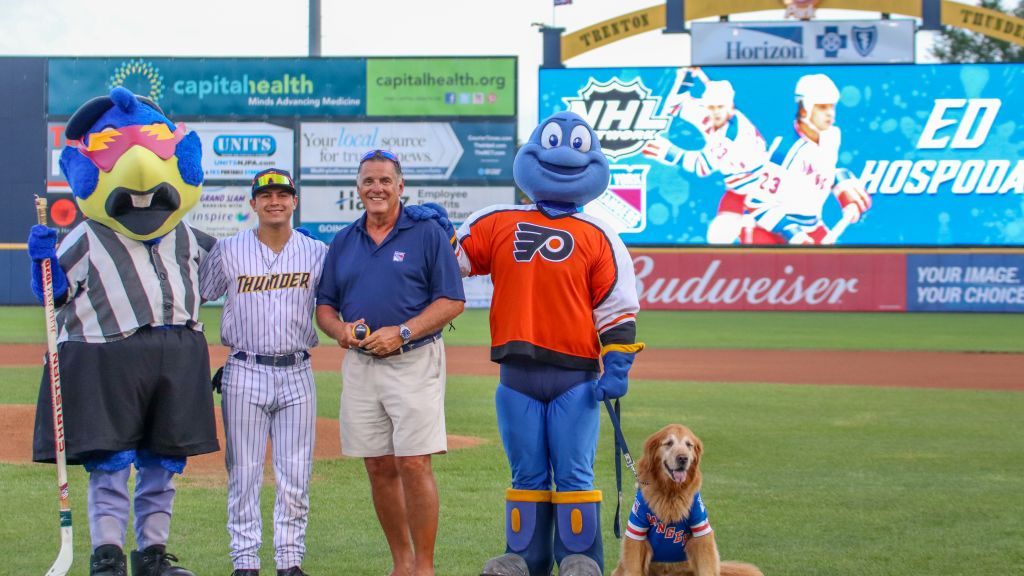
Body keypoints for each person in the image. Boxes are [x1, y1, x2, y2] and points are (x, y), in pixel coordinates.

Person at [415, 112, 643, 576]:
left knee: (575, 474)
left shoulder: (601, 234)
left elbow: (617, 307)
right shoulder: (497, 220)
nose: (561, 157)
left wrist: (616, 365)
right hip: (515, 376)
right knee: (527, 475)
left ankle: (580, 558)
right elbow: (452, 262)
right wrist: (434, 234)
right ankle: (524, 557)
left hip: (576, 378)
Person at [28, 87, 215, 576]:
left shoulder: (189, 236)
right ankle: (107, 555)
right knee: (110, 463)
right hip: (105, 356)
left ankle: (152, 554)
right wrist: (41, 262)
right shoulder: (88, 236)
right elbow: (54, 293)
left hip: (177, 355)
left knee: (162, 462)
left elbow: (250, 264)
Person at [314, 150, 465, 576]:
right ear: (357, 189)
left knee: (414, 462)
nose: (376, 188)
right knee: (378, 464)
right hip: (361, 365)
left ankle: (424, 566)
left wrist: (402, 331)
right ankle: (400, 563)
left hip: (413, 359)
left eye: (384, 180)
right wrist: (339, 330)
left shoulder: (426, 233)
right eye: (368, 181)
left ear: (401, 187)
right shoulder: (344, 240)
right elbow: (325, 306)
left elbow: (452, 300)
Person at [199, 168, 326, 576]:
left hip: (297, 371)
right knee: (244, 472)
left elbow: (334, 302)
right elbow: (199, 291)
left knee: (295, 473)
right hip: (244, 369)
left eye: (282, 194)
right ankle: (245, 562)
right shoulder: (229, 250)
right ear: (253, 203)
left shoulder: (315, 253)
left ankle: (290, 561)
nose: (275, 200)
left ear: (294, 201)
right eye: (266, 194)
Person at [642, 68, 768, 243]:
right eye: (712, 107)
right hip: (737, 189)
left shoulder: (734, 136)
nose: (715, 112)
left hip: (762, 189)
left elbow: (701, 167)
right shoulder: (710, 112)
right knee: (717, 239)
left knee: (760, 240)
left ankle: (751, 226)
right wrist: (685, 79)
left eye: (720, 107)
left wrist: (666, 152)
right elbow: (676, 105)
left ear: (731, 108)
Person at [743, 73, 872, 244]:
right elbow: (757, 203)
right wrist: (794, 235)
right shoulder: (785, 150)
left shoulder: (832, 136)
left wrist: (843, 186)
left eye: (832, 107)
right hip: (768, 231)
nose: (830, 114)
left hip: (810, 225)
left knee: (836, 267)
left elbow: (820, 173)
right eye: (822, 107)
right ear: (804, 109)